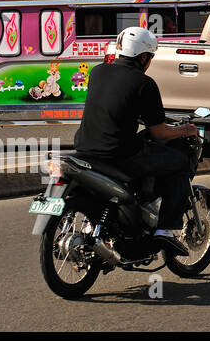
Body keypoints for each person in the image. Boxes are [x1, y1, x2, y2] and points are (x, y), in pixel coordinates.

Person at [72, 26, 199, 257]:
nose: (150, 62)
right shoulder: (144, 83)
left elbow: (115, 105)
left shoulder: (98, 72)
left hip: (85, 149)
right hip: (119, 155)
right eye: (150, 57)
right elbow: (160, 133)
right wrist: (185, 130)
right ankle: (165, 230)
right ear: (143, 57)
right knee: (179, 162)